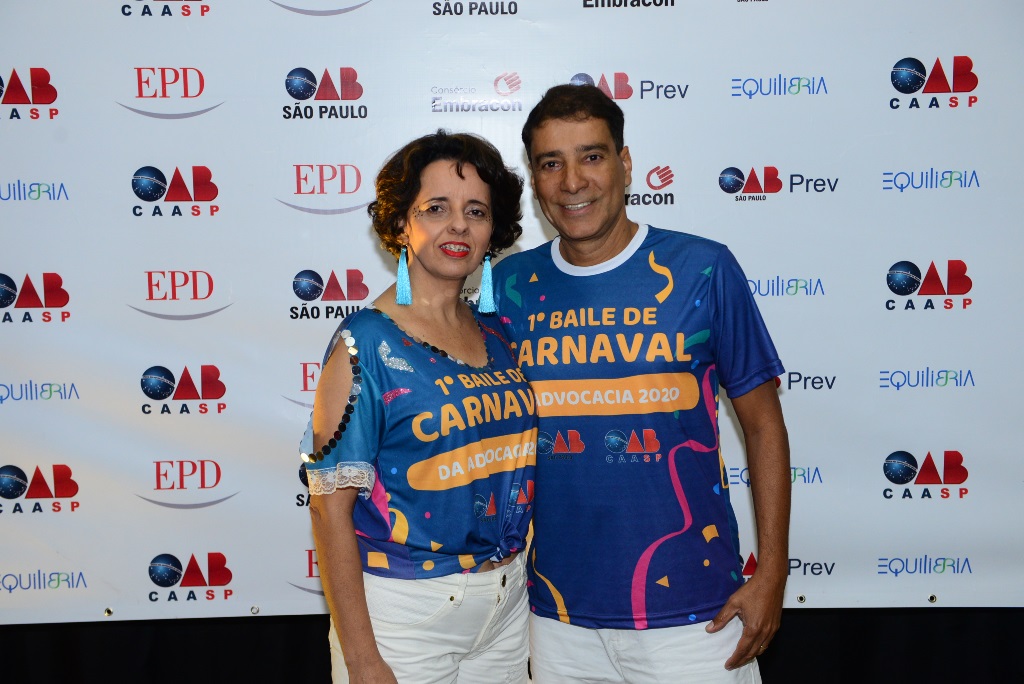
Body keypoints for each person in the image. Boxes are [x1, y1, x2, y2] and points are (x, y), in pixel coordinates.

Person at [491, 84, 791, 683]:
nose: (573, 181)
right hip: (555, 617)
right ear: (535, 179)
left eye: (592, 156)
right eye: (551, 163)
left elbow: (764, 426)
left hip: (697, 617)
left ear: (625, 164)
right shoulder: (507, 286)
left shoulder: (702, 268)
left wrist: (773, 575)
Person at [300, 130, 538, 683]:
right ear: (401, 223)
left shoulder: (498, 334)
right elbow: (329, 510)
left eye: (476, 211)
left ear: (493, 230)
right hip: (406, 618)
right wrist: (362, 660)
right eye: (436, 208)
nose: (458, 225)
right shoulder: (365, 343)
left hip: (507, 606)